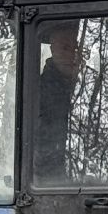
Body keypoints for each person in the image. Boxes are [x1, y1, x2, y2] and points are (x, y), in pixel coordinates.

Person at [33, 20, 83, 179]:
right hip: (52, 180)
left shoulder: (87, 86)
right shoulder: (42, 91)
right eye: (65, 48)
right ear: (53, 49)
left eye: (76, 48)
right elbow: (42, 141)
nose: (72, 55)